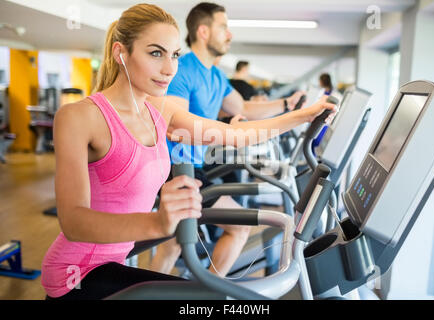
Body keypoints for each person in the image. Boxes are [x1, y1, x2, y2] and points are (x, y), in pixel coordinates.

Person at [41, 3, 336, 300]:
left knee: (211, 296)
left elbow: (234, 135)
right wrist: (157, 222)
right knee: (206, 300)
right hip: (77, 275)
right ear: (121, 53)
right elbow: (73, 221)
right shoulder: (79, 117)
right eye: (155, 53)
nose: (169, 69)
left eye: (175, 55)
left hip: (115, 263)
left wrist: (303, 115)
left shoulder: (159, 112)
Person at [150, 2, 309, 278]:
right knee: (237, 228)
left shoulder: (216, 75)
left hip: (194, 168)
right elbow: (174, 126)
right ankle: (207, 297)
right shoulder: (182, 69)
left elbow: (244, 108)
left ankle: (165, 292)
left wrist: (287, 104)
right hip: (174, 171)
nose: (229, 34)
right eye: (223, 27)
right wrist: (229, 133)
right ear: (203, 31)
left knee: (174, 246)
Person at [312, 73, 343, 153]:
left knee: (316, 143)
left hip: (326, 123)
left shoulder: (336, 95)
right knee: (312, 142)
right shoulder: (321, 93)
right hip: (316, 120)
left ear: (322, 81)